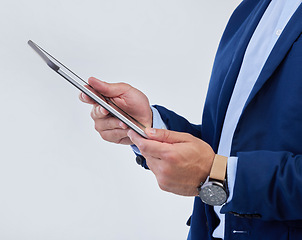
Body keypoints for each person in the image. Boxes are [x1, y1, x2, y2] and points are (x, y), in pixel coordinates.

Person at [79, 0, 302, 239]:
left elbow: (218, 166)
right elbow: (228, 143)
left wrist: (219, 175)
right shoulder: (253, 9)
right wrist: (150, 126)